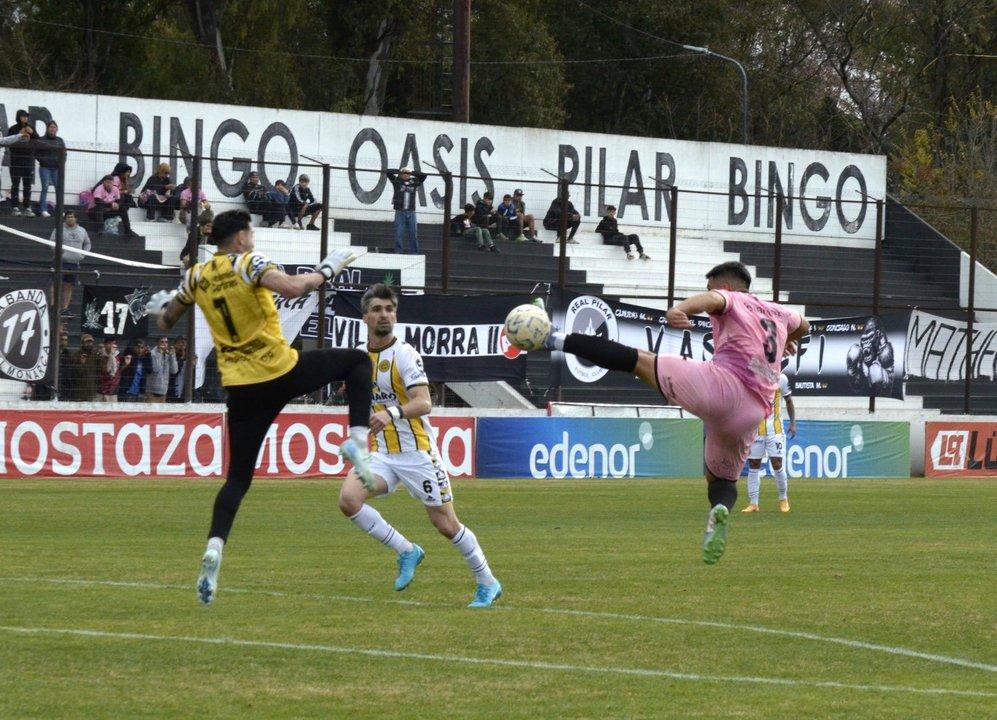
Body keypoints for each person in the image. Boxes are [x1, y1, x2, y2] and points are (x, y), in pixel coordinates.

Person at [145, 209, 376, 606]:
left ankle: (215, 547)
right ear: (237, 238)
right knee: (358, 361)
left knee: (237, 479)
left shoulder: (196, 275)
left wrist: (158, 309)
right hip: (279, 370)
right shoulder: (249, 263)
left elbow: (166, 321)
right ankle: (357, 440)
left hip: (240, 388)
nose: (252, 238)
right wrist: (326, 271)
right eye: (249, 233)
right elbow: (290, 288)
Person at [520, 261, 809, 564]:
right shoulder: (778, 311)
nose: (711, 294)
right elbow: (804, 325)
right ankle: (718, 513)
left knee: (638, 359)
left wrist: (679, 309)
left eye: (712, 287)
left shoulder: (731, 298)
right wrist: (790, 338)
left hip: (723, 387)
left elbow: (713, 300)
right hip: (754, 411)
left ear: (725, 286)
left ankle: (550, 338)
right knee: (721, 480)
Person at [338, 283, 502, 607]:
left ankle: (487, 581)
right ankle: (407, 551)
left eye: (389, 309)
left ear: (395, 314)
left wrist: (391, 413)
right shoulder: (358, 355)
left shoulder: (405, 354)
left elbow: (425, 402)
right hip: (385, 454)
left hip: (418, 454)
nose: (384, 315)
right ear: (365, 316)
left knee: (444, 523)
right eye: (377, 309)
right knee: (348, 500)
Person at [743, 372, 796, 514]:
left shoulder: (782, 378)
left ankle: (783, 500)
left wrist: (793, 423)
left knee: (777, 464)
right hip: (756, 430)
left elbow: (789, 400)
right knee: (753, 465)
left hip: (775, 430)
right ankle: (753, 503)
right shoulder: (752, 377)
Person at [49, 211, 91, 313]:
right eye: (68, 217)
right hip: (60, 262)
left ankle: (65, 308)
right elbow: (51, 241)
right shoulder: (59, 229)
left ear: (76, 218)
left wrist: (83, 254)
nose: (70, 219)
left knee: (68, 286)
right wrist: (58, 253)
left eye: (71, 217)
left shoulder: (82, 230)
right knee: (55, 284)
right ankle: (52, 307)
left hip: (74, 263)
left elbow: (88, 243)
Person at [386, 166, 427, 254]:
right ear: (400, 174)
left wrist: (412, 172)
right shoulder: (397, 181)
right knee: (399, 233)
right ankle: (398, 252)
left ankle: (414, 253)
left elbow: (424, 176)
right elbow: (388, 172)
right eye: (404, 173)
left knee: (413, 233)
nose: (406, 175)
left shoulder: (414, 181)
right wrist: (400, 171)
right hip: (400, 212)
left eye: (407, 173)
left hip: (411, 212)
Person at [6, 110, 36, 216]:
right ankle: (15, 207)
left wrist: (32, 133)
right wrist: (19, 134)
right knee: (15, 184)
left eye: (26, 117)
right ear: (18, 117)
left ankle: (27, 207)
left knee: (27, 185)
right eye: (23, 116)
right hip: (16, 161)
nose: (25, 118)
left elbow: (38, 140)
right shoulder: (13, 129)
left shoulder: (30, 128)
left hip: (28, 161)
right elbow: (9, 143)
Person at [34, 120, 64, 217]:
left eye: (54, 127)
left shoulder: (60, 140)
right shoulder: (41, 139)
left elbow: (64, 154)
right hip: (45, 168)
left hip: (56, 169)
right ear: (47, 128)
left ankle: (59, 210)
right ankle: (43, 209)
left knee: (59, 189)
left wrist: (60, 163)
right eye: (51, 127)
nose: (52, 129)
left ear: (57, 129)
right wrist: (45, 162)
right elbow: (37, 154)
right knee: (45, 187)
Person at [68, 334, 103, 401]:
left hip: (91, 391)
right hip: (79, 392)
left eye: (91, 342)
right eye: (87, 342)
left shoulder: (95, 356)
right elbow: (73, 374)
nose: (90, 344)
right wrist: (81, 363)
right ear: (82, 343)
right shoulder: (76, 355)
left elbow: (100, 371)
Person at [146, 336, 179, 402]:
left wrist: (172, 355)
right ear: (157, 343)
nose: (164, 344)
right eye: (162, 342)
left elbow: (174, 371)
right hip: (152, 391)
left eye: (166, 342)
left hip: (164, 391)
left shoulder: (168, 354)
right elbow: (156, 369)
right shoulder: (152, 353)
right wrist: (160, 355)